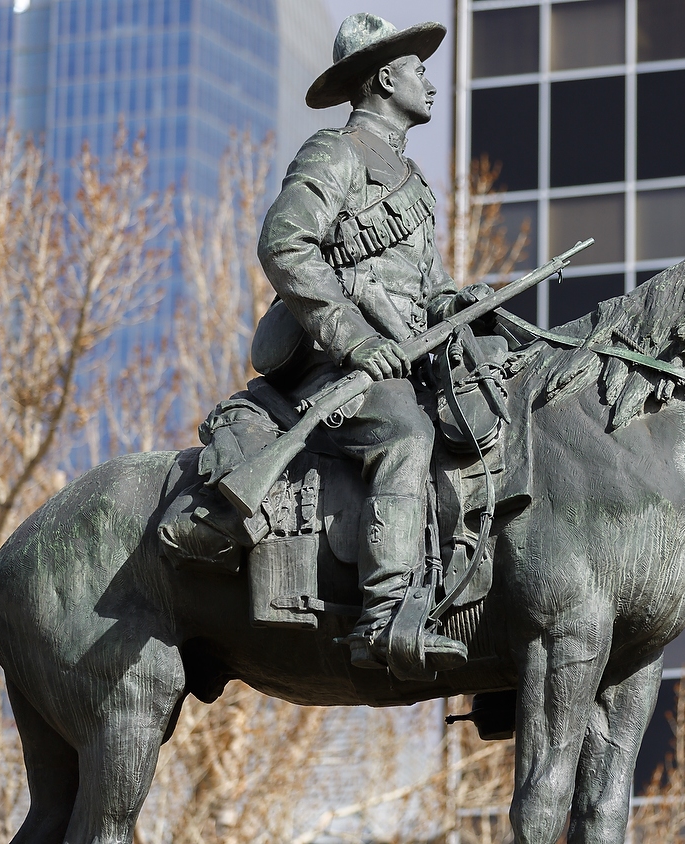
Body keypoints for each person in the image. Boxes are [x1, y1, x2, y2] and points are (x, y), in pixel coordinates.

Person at [255, 12, 485, 676]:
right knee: (405, 435)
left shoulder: (414, 184)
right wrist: (355, 340)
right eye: (418, 71)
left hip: (403, 358)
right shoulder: (336, 153)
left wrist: (461, 302)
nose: (430, 85)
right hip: (335, 370)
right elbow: (285, 243)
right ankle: (384, 617)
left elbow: (427, 291)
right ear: (386, 79)